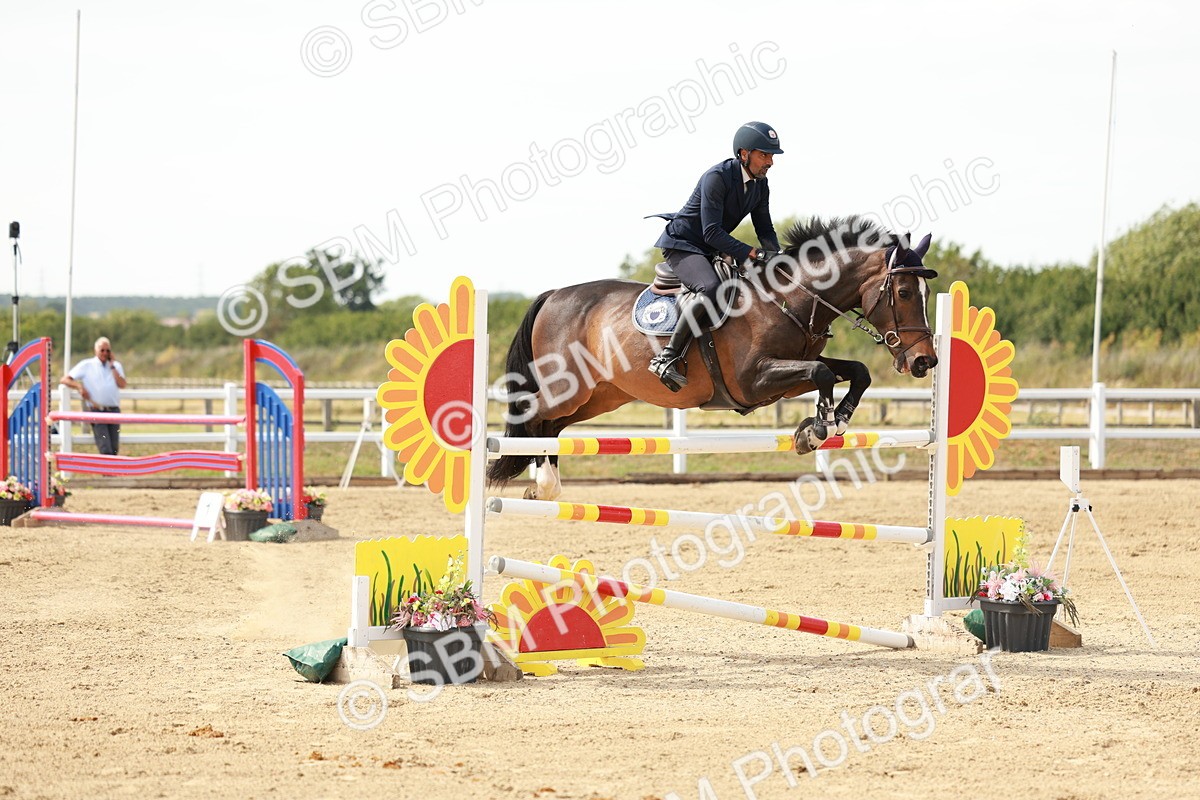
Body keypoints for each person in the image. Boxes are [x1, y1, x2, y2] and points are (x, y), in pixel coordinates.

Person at [647, 120, 784, 391]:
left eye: (771, 156)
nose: (770, 162)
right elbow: (711, 233)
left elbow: (764, 227)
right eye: (764, 155)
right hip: (684, 244)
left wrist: (778, 256)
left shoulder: (760, 184)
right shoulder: (717, 178)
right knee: (710, 288)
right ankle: (667, 356)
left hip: (710, 246)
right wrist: (752, 253)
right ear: (744, 154)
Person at [61, 337, 127, 455]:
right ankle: (108, 473)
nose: (105, 353)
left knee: (114, 447)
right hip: (96, 410)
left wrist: (112, 366)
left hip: (113, 410)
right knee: (105, 446)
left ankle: (111, 472)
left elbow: (122, 384)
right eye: (102, 350)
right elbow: (65, 379)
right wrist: (79, 387)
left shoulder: (116, 366)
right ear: (96, 350)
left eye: (107, 351)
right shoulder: (86, 365)